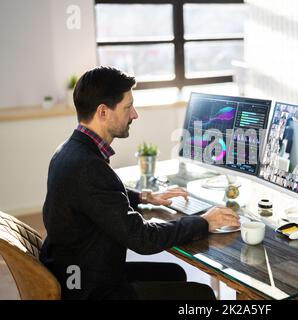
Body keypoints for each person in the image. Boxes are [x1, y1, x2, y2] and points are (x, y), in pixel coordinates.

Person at [39, 67, 240, 300]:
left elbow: (99, 196)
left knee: (174, 273)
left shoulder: (68, 151)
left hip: (77, 273)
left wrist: (144, 197)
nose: (134, 114)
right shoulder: (88, 166)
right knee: (201, 295)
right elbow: (143, 239)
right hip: (91, 291)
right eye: (127, 107)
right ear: (103, 112)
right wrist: (203, 222)